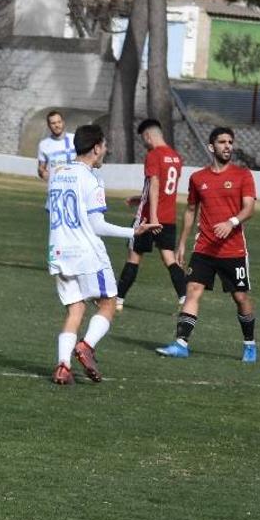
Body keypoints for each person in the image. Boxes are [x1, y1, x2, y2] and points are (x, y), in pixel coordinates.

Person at [47, 124, 158, 385]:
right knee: (108, 303)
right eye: (105, 145)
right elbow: (96, 225)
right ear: (96, 148)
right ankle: (86, 346)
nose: (106, 150)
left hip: (58, 252)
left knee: (75, 309)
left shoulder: (57, 172)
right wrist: (134, 232)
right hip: (85, 253)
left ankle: (63, 366)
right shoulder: (92, 178)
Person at [156, 127, 258, 362]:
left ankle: (250, 344)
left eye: (230, 142)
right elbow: (191, 210)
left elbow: (249, 208)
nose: (227, 146)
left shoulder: (243, 175)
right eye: (222, 142)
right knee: (192, 291)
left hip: (233, 250)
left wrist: (232, 222)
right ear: (212, 147)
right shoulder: (198, 178)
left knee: (240, 298)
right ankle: (181, 343)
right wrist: (181, 243)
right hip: (204, 248)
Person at [116, 119, 188, 311]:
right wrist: (140, 198)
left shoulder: (153, 155)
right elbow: (164, 190)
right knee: (169, 259)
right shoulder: (176, 157)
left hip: (149, 218)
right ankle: (184, 299)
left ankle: (118, 299)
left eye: (143, 139)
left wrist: (153, 217)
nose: (144, 143)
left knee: (134, 257)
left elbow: (155, 185)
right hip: (168, 217)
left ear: (148, 135)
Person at [36, 110, 76, 181]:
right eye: (53, 123)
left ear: (63, 122)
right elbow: (41, 168)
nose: (57, 125)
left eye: (59, 122)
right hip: (56, 187)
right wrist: (43, 173)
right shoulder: (44, 144)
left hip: (75, 184)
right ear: (48, 125)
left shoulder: (75, 139)